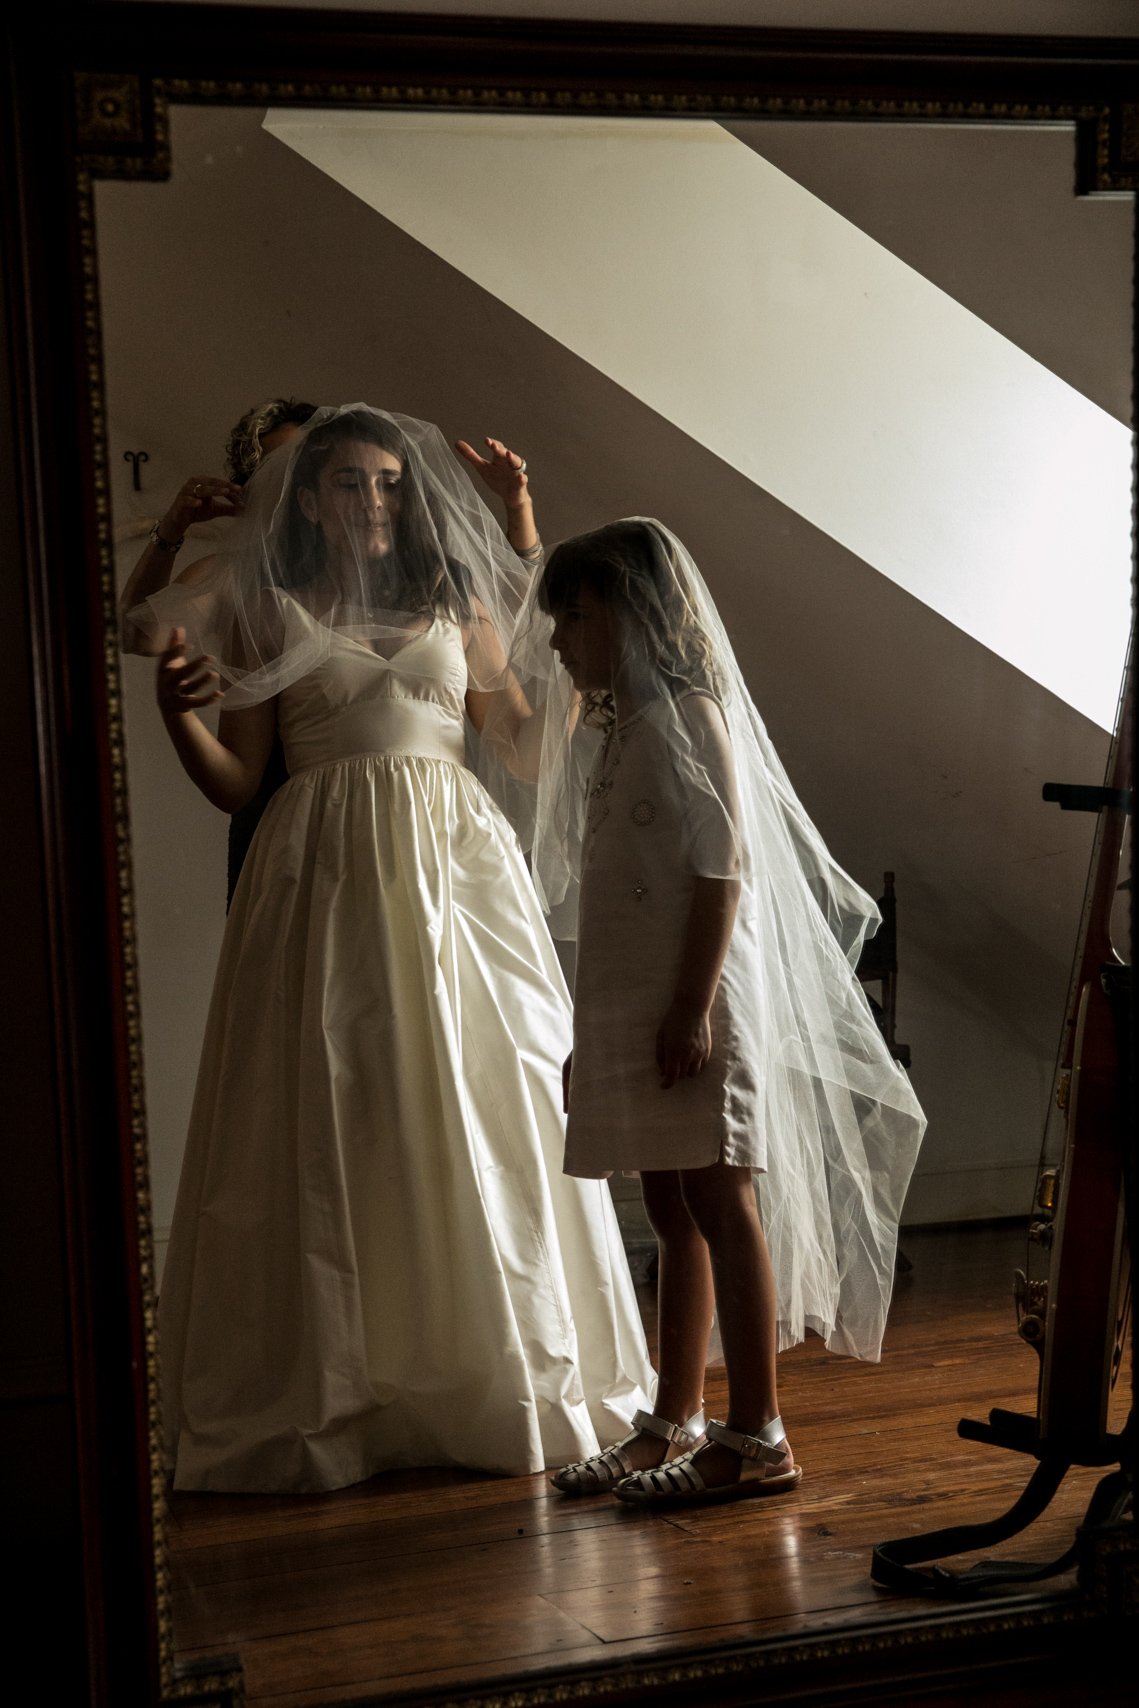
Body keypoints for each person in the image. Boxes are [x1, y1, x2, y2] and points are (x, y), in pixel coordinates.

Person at [123, 405, 653, 1493]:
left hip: (454, 865)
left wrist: (569, 666)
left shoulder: (455, 599)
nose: (372, 500)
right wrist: (179, 716)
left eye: (388, 483)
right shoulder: (269, 605)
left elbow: (517, 742)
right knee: (333, 1109)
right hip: (318, 868)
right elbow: (234, 776)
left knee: (476, 1095)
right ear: (310, 501)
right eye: (349, 483)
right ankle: (346, 1390)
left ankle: (486, 1368)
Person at [509, 519, 925, 1505]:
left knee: (718, 1198)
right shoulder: (617, 730)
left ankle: (759, 1434)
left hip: (690, 1001)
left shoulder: (690, 716)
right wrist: (590, 1036)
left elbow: (720, 869)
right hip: (632, 998)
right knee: (666, 1204)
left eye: (574, 616)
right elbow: (617, 898)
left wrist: (692, 1007)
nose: (559, 640)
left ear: (629, 614)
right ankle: (672, 1417)